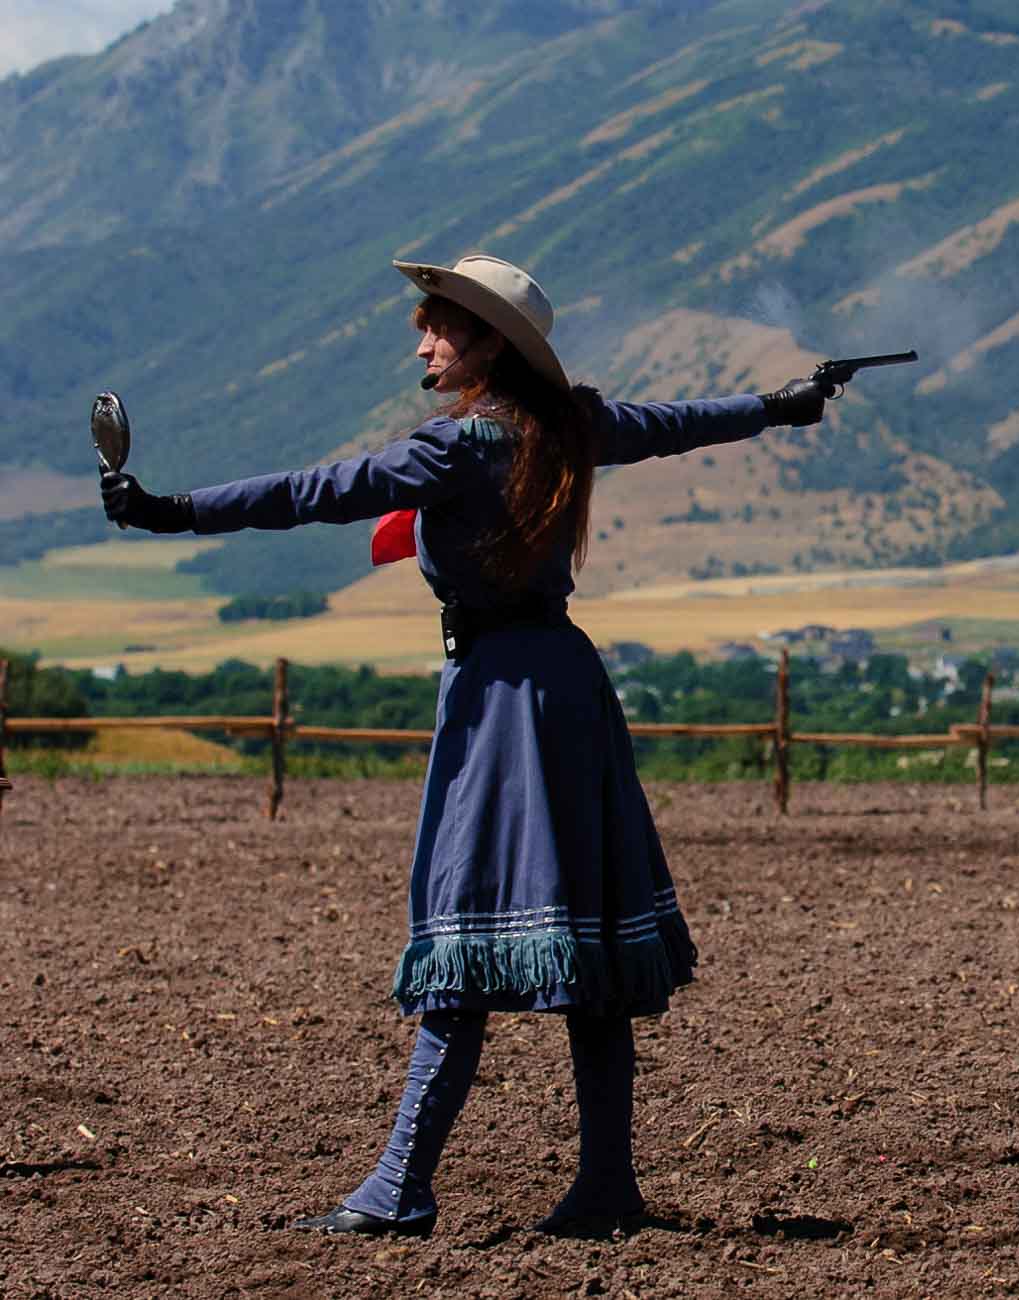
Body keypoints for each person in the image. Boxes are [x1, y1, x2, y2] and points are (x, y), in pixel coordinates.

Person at [99, 253, 830, 1236]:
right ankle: (603, 1184)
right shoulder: (571, 425)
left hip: (498, 701)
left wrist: (169, 511)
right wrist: (778, 406)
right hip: (569, 691)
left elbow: (316, 490)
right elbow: (674, 424)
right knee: (591, 945)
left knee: (464, 929)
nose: (422, 340)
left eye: (438, 325)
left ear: (487, 342)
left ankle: (402, 1184)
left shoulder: (452, 450)